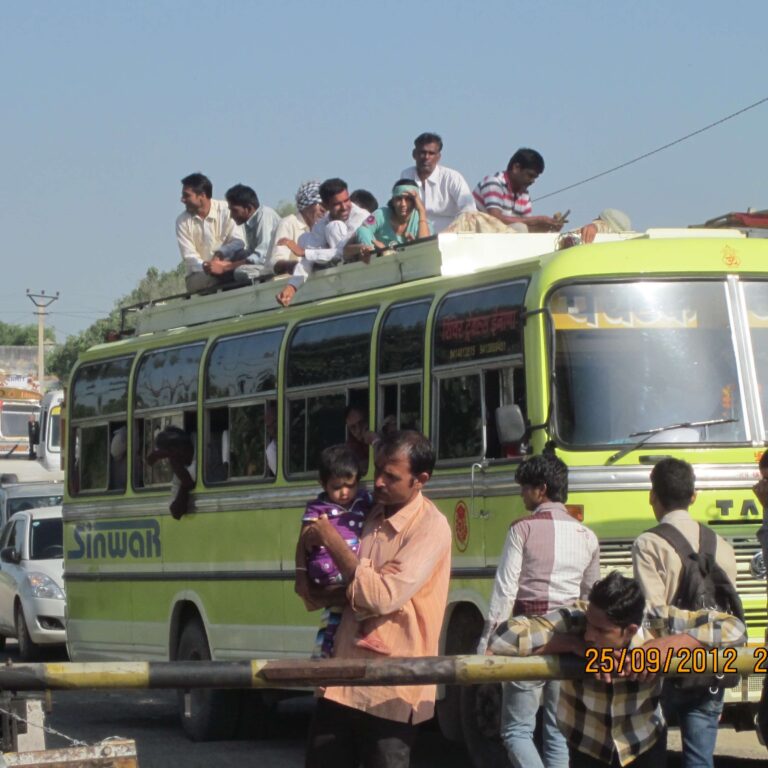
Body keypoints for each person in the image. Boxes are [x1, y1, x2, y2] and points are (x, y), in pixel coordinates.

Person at [488, 571, 746, 768]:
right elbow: (501, 639)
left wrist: (671, 644)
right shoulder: (577, 620)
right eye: (589, 625)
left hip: (644, 744)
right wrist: (571, 645)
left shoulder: (657, 622)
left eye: (601, 631)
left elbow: (735, 628)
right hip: (586, 745)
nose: (589, 634)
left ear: (630, 631)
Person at [302, 431, 451, 768]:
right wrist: (307, 566)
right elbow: (316, 577)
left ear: (420, 480)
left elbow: (381, 597)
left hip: (391, 688)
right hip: (340, 679)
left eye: (391, 476)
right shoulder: (367, 510)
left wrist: (333, 541)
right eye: (377, 470)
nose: (379, 482)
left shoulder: (430, 527)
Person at [477, 453, 600, 768]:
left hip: (528, 637)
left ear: (541, 489)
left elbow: (505, 590)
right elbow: (590, 597)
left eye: (525, 487)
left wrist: (488, 643)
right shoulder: (587, 536)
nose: (521, 494)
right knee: (557, 731)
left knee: (516, 731)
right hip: (569, 640)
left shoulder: (522, 529)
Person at [632, 458, 738, 768]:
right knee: (700, 760)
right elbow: (729, 611)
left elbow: (652, 613)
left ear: (653, 496)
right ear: (693, 496)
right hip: (712, 665)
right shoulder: (722, 544)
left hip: (663, 667)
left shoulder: (648, 543)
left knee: (651, 758)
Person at [295, 445, 389, 658]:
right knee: (354, 600)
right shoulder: (318, 508)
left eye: (350, 485)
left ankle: (326, 649)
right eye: (337, 487)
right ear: (323, 484)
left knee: (337, 614)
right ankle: (326, 651)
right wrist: (301, 574)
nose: (345, 492)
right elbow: (302, 542)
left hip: (351, 571)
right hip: (329, 571)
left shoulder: (364, 501)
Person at [276, 178, 370, 307]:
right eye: (337, 204)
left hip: (361, 268)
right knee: (305, 238)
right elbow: (309, 258)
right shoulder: (323, 223)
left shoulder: (361, 216)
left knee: (334, 227)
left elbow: (342, 251)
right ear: (325, 206)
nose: (344, 207)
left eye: (346, 200)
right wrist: (292, 287)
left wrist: (304, 252)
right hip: (337, 276)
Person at [175, 173, 245, 293]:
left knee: (245, 262)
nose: (182, 200)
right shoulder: (182, 221)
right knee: (213, 279)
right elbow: (189, 257)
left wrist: (220, 256)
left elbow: (238, 242)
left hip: (228, 265)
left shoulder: (226, 210)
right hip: (200, 274)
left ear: (202, 195)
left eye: (186, 196)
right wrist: (208, 267)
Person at [399, 132, 476, 233]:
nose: (426, 157)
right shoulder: (406, 175)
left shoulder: (452, 178)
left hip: (451, 237)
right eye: (422, 152)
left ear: (438, 157)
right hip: (416, 237)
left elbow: (469, 211)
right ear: (414, 154)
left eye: (431, 153)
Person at [473, 149, 564, 233]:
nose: (532, 181)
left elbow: (528, 227)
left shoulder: (524, 195)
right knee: (520, 228)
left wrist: (547, 226)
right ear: (516, 168)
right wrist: (537, 220)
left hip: (500, 237)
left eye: (535, 177)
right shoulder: (494, 183)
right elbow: (495, 219)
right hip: (478, 235)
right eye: (530, 175)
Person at [215, 184, 281, 283]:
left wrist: (227, 267)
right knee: (237, 255)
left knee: (240, 272)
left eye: (234, 210)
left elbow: (261, 256)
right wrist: (225, 262)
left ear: (248, 208)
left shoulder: (265, 216)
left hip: (275, 263)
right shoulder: (248, 223)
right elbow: (251, 252)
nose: (231, 215)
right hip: (263, 263)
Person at [351, 179, 432, 254]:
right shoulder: (381, 214)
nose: (403, 204)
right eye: (399, 199)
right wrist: (373, 248)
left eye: (408, 199)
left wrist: (421, 211)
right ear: (393, 201)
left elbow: (426, 249)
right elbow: (363, 230)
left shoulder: (422, 221)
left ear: (415, 202)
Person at [268, 181, 326, 275]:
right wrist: (296, 266)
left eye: (327, 205)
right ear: (306, 205)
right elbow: (276, 262)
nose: (324, 209)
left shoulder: (323, 228)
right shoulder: (288, 224)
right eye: (320, 204)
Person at [147, 426, 195, 520]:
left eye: (171, 453)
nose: (171, 460)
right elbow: (176, 511)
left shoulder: (200, 458)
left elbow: (189, 480)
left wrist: (171, 456)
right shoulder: (182, 469)